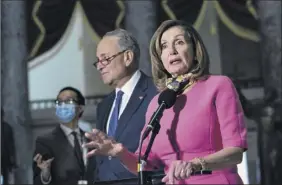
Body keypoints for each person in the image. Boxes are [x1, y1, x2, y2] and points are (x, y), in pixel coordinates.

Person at [84, 20, 247, 184]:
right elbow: (144, 166)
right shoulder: (158, 102)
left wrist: (195, 164)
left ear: (195, 51)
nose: (172, 51)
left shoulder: (218, 85)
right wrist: (120, 152)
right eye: (164, 46)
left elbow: (235, 152)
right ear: (160, 58)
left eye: (179, 42)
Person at [92, 28, 158, 181]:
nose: (100, 66)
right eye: (98, 61)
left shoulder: (156, 94)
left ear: (128, 57)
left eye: (105, 59)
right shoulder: (103, 106)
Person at [32, 87, 95, 184]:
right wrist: (45, 173)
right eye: (59, 102)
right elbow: (37, 180)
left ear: (80, 108)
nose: (63, 106)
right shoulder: (45, 142)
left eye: (68, 101)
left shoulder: (91, 140)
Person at [1, 108, 16, 185]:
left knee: (5, 178)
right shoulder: (7, 127)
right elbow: (11, 146)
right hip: (5, 158)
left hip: (5, 158)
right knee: (5, 178)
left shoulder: (7, 127)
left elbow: (11, 146)